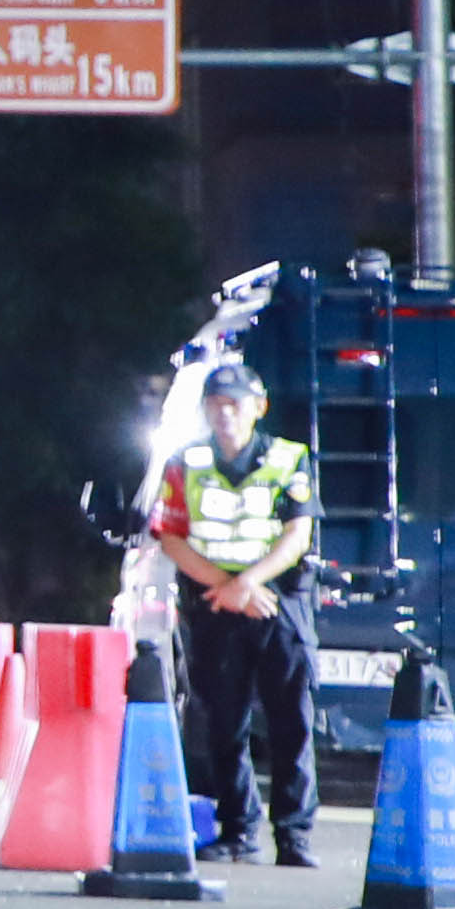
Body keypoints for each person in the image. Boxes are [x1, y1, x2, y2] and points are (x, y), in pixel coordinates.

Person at [147, 355, 321, 869]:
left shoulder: (290, 458)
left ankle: (293, 835)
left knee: (293, 721)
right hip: (214, 604)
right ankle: (237, 830)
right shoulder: (185, 463)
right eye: (217, 405)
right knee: (223, 723)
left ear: (258, 408)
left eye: (235, 405)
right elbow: (171, 537)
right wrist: (227, 587)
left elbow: (297, 534)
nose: (226, 414)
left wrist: (248, 583)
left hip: (277, 601)